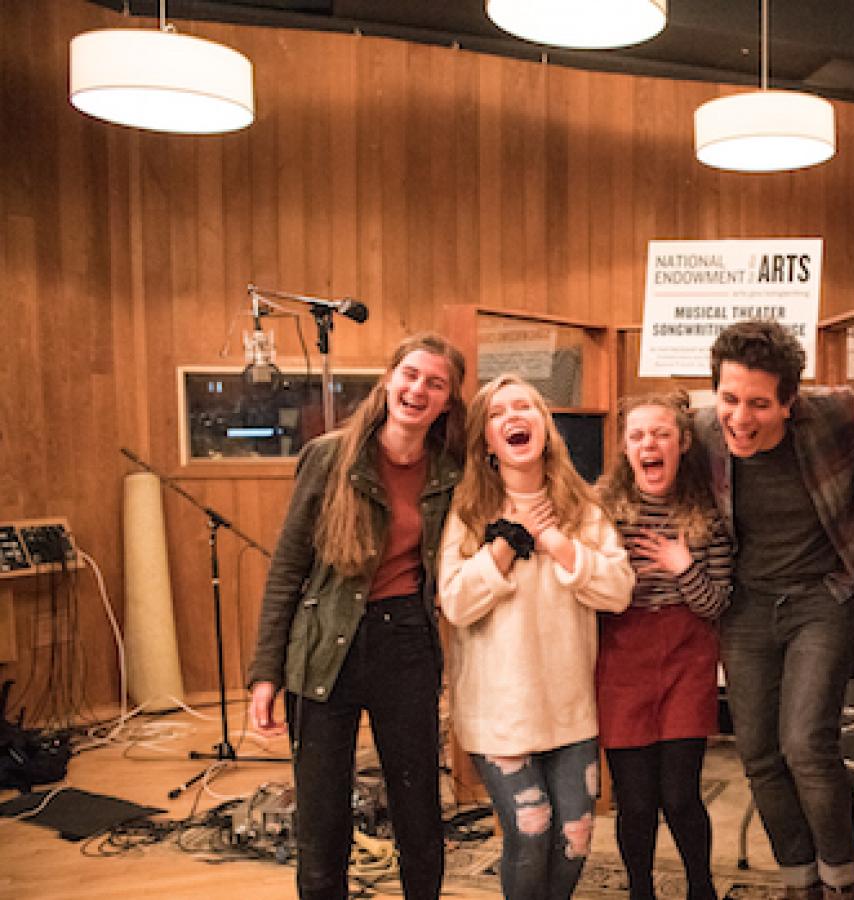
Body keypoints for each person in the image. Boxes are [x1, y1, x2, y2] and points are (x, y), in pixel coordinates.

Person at [247, 332, 468, 900]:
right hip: (324, 646)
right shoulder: (328, 456)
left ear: (447, 401)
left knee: (418, 812)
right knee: (322, 822)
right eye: (411, 374)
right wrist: (266, 674)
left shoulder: (453, 470)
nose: (418, 388)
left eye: (435, 383)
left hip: (407, 645)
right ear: (389, 380)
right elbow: (287, 570)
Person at [695, 320, 854, 900]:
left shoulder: (835, 416)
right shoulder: (699, 430)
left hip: (824, 595)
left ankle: (845, 883)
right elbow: (632, 461)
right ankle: (800, 882)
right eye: (729, 399)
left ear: (790, 402)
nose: (740, 419)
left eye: (758, 404)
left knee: (805, 742)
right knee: (758, 751)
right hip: (746, 604)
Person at [437, 374, 635, 900]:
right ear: (485, 439)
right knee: (533, 830)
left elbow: (618, 590)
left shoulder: (583, 508)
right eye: (499, 412)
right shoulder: (467, 511)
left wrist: (554, 542)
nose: (514, 417)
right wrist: (506, 545)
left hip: (571, 711)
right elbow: (454, 603)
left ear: (545, 426)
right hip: (501, 715)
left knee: (576, 835)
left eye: (524, 406)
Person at [596, 391, 734, 900]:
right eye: (637, 435)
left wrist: (684, 567)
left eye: (660, 434)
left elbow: (717, 603)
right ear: (625, 448)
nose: (648, 444)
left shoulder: (709, 513)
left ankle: (702, 889)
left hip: (687, 658)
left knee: (678, 797)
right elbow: (589, 594)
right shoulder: (601, 512)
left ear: (682, 442)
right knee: (635, 803)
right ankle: (641, 892)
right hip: (622, 658)